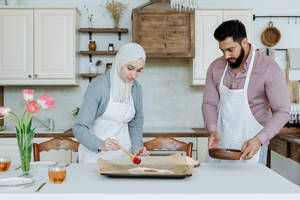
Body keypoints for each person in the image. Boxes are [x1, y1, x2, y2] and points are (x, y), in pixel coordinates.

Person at [202, 20, 290, 164]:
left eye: (230, 49)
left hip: (252, 149)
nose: (225, 56)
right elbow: (209, 103)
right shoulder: (216, 67)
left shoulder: (268, 68)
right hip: (221, 147)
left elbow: (283, 111)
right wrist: (212, 130)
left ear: (244, 42)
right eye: (222, 50)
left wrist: (259, 140)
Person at [73, 43, 148, 163]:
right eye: (130, 68)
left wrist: (137, 147)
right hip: (94, 157)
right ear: (120, 62)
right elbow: (79, 127)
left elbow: (135, 124)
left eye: (139, 70)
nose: (134, 75)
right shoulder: (99, 86)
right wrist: (100, 144)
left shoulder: (136, 88)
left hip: (124, 157)